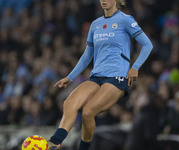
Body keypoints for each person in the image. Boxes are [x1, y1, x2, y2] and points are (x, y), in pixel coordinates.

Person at [48, 0, 153, 149]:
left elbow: (148, 44)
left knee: (88, 112)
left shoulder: (125, 19)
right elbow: (87, 55)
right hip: (96, 76)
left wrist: (135, 67)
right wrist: (70, 77)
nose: (103, 0)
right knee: (69, 103)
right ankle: (54, 143)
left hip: (117, 76)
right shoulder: (95, 24)